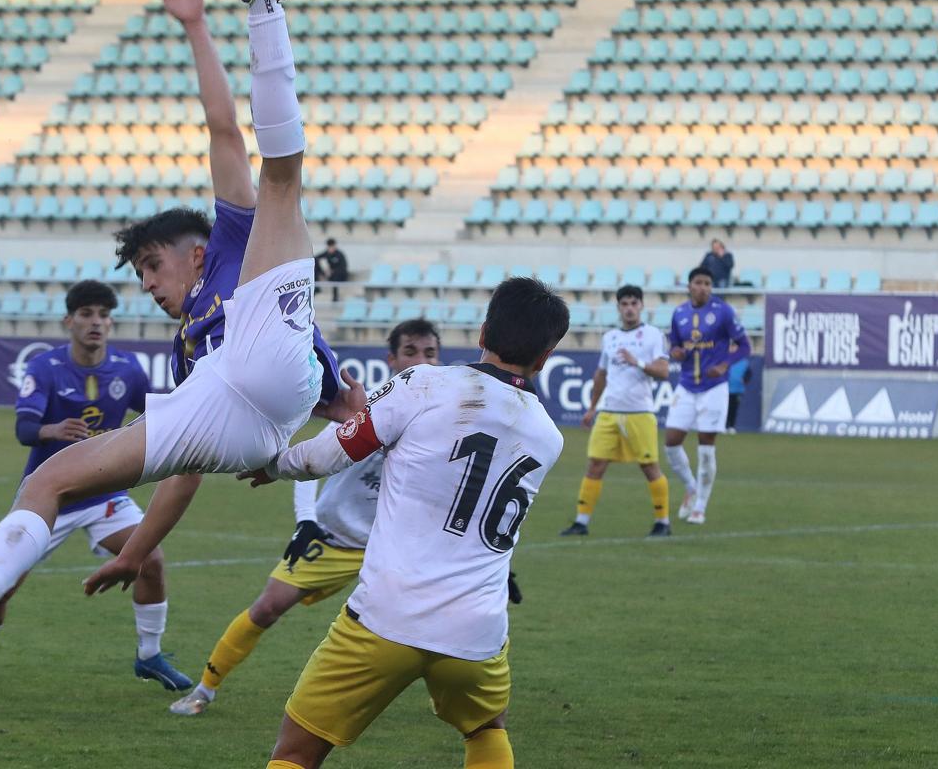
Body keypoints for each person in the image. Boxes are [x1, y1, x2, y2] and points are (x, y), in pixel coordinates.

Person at [0, 0, 355, 667]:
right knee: (48, 479)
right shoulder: (187, 348)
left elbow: (223, 129)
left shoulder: (230, 243)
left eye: (153, 265)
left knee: (277, 180)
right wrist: (139, 551)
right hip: (250, 425)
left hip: (271, 373)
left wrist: (193, 27)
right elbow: (185, 470)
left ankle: (263, 3)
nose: (149, 286)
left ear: (194, 253)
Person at [241, 277, 570, 769]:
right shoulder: (548, 435)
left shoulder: (426, 383)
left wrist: (273, 466)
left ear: (482, 333)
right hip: (477, 627)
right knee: (485, 728)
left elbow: (333, 451)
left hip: (387, 614)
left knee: (296, 752)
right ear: (544, 358)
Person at [168, 318, 442, 717]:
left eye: (430, 352)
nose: (422, 360)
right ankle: (204, 691)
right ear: (393, 359)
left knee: (434, 617)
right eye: (411, 352)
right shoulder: (373, 409)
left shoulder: (444, 420)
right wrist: (305, 522)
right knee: (266, 607)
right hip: (334, 538)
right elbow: (315, 460)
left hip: (396, 546)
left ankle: (452, 703)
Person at [0, 280, 191, 691]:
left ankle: (150, 656)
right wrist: (53, 428)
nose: (96, 323)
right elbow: (24, 429)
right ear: (68, 321)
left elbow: (162, 420)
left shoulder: (127, 369)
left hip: (105, 495)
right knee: (0, 587)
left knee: (151, 562)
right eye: (87, 314)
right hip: (50, 500)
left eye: (104, 316)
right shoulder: (45, 368)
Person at [560, 284, 672, 538]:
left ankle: (662, 522)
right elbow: (601, 374)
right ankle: (581, 522)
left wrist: (638, 362)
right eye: (625, 304)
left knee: (649, 466)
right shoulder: (610, 337)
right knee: (595, 465)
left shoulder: (653, 335)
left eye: (634, 303)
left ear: (641, 306)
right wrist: (591, 408)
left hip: (639, 412)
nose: (629, 308)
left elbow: (664, 371)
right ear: (619, 308)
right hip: (608, 412)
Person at [665, 266, 751, 525]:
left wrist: (725, 365)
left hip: (714, 388)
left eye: (707, 283)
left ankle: (700, 506)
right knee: (671, 443)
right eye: (698, 282)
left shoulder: (723, 311)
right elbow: (675, 346)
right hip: (687, 385)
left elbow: (745, 345)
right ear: (689, 286)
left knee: (705, 449)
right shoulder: (679, 313)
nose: (703, 287)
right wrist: (676, 353)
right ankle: (691, 487)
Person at [726, 356, 751, 434]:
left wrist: (745, 379)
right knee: (725, 409)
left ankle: (731, 427)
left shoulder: (744, 362)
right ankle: (724, 426)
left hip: (738, 390)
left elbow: (749, 373)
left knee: (734, 409)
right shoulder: (727, 360)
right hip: (726, 390)